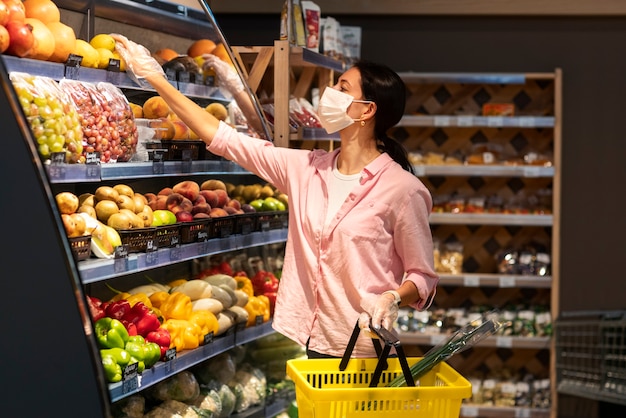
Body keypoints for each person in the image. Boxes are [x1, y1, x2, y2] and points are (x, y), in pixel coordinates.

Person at [113, 34, 439, 358]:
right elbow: (223, 138)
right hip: (311, 342)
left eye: (342, 88)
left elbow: (422, 275)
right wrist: (154, 76)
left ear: (367, 111)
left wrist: (393, 297)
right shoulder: (307, 169)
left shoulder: (403, 190)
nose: (329, 94)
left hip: (366, 348)